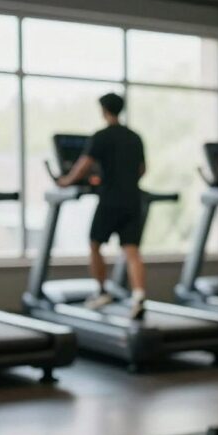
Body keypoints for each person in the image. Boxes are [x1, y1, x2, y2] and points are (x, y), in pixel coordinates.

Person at [58, 93, 148, 320]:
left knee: (95, 244)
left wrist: (65, 181)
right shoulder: (135, 137)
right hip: (132, 199)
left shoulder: (101, 136)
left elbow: (83, 165)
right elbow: (142, 169)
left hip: (110, 199)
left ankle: (101, 291)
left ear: (104, 110)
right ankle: (139, 295)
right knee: (132, 250)